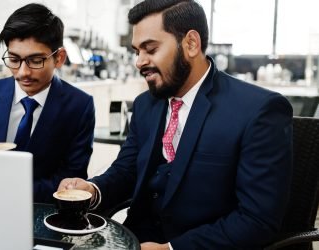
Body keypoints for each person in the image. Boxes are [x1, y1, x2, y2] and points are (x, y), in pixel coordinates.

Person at [58, 0, 293, 249]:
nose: (139, 62)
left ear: (191, 44)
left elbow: (257, 220)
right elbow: (126, 171)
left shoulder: (257, 111)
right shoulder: (145, 105)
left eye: (150, 49)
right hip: (133, 239)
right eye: (137, 51)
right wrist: (92, 190)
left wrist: (171, 249)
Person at [0, 3, 95, 203]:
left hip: (39, 213)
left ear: (59, 58)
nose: (23, 72)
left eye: (35, 60)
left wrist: (3, 187)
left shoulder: (79, 106)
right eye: (14, 59)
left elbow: (71, 182)